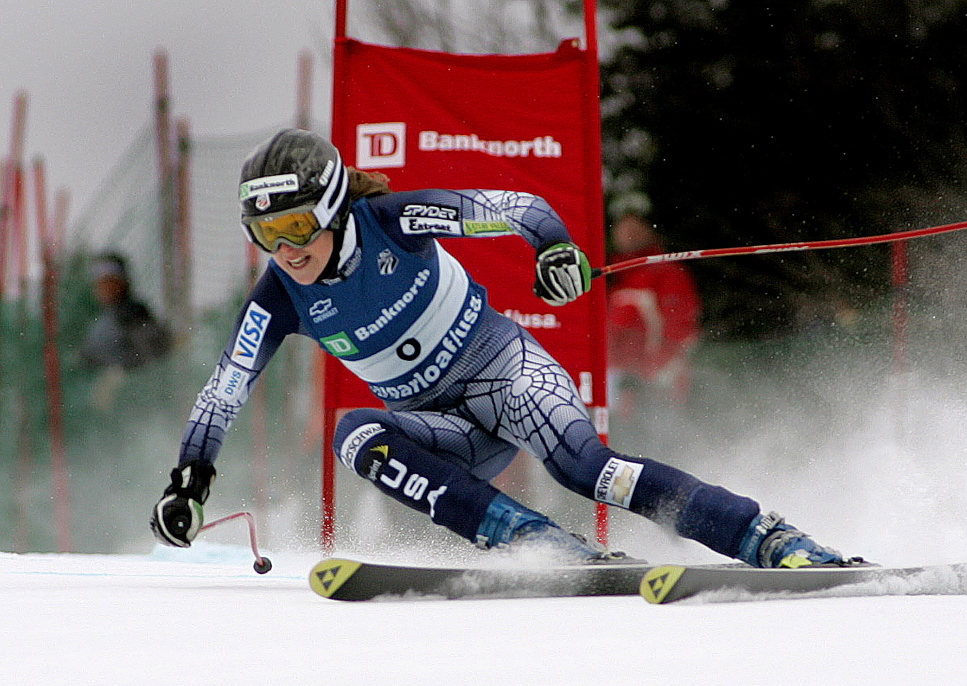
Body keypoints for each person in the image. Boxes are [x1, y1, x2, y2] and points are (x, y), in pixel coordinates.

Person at [150, 129, 856, 568]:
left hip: (504, 375)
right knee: (355, 434)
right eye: (266, 234)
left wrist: (552, 251)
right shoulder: (279, 295)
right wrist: (190, 478)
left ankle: (763, 537)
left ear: (334, 204)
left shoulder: (392, 220)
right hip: (447, 430)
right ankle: (537, 544)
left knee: (590, 471)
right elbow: (224, 388)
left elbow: (516, 208)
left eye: (298, 225)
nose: (287, 249)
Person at [606, 195, 701, 413]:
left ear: (650, 229)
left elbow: (681, 331)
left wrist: (647, 377)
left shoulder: (668, 273)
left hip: (654, 391)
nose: (627, 233)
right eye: (621, 226)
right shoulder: (612, 276)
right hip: (616, 393)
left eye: (635, 225)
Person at [79, 253, 171, 410]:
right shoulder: (104, 318)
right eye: (100, 282)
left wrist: (117, 374)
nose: (103, 288)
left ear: (122, 283)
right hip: (104, 410)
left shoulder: (131, 313)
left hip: (133, 406)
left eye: (109, 281)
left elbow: (150, 353)